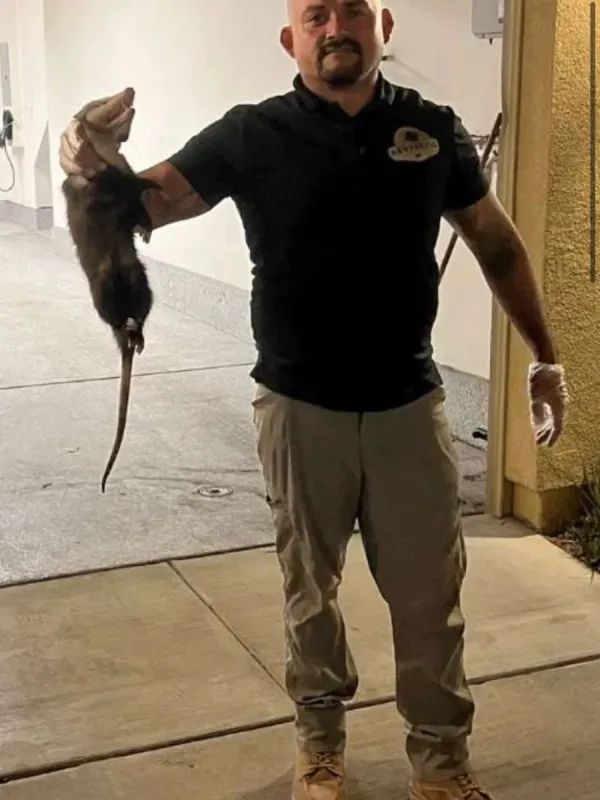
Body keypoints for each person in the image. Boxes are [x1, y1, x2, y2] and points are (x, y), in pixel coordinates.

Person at [59, 1, 569, 798]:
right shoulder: (250, 134)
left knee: (431, 601)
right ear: (291, 38)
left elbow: (496, 241)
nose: (337, 26)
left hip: (410, 406)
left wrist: (546, 358)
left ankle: (441, 763)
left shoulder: (432, 129)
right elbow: (147, 206)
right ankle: (320, 745)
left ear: (385, 27)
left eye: (354, 11)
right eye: (316, 13)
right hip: (298, 409)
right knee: (310, 593)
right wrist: (92, 163)